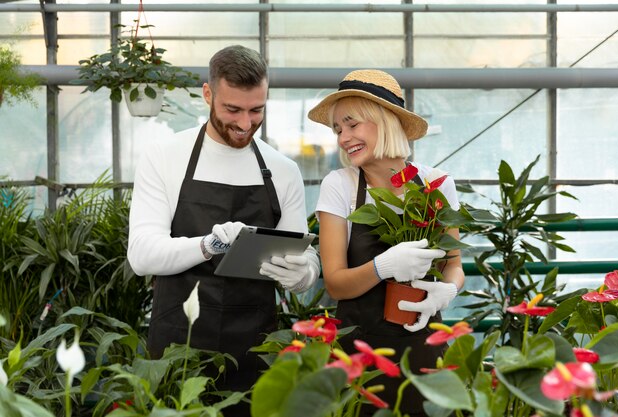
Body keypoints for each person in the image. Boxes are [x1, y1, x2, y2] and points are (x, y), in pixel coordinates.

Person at [127, 45, 320, 415]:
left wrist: (305, 272)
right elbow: (142, 255)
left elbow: (300, 249)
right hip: (177, 346)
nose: (245, 123)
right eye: (233, 109)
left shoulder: (282, 170)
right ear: (207, 94)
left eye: (256, 110)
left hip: (253, 347)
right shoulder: (165, 156)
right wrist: (209, 244)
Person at [309, 69, 464, 416]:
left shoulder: (436, 183)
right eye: (338, 129)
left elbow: (453, 265)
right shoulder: (340, 186)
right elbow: (335, 283)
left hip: (424, 343)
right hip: (360, 352)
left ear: (384, 121)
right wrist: (383, 266)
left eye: (352, 124)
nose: (343, 137)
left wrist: (447, 292)